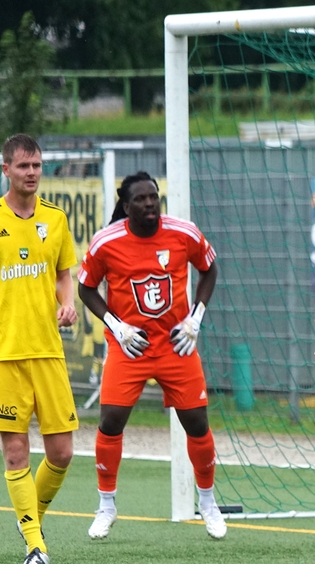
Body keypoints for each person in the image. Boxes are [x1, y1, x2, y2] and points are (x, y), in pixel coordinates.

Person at [76, 172, 226, 540]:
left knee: (197, 423)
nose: (149, 204)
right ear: (126, 206)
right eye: (141, 199)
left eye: (153, 197)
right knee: (111, 421)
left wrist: (195, 319)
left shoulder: (184, 233)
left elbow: (209, 269)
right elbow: (86, 288)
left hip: (176, 344)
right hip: (130, 346)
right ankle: (106, 506)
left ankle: (208, 503)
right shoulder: (106, 242)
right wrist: (117, 327)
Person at [0, 133, 79, 564]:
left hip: (46, 350)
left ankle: (30, 520)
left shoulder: (56, 219)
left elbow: (64, 274)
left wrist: (68, 303)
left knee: (62, 452)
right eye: (23, 166)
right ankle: (35, 547)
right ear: (6, 169)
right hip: (2, 352)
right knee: (15, 452)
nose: (31, 173)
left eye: (37, 165)